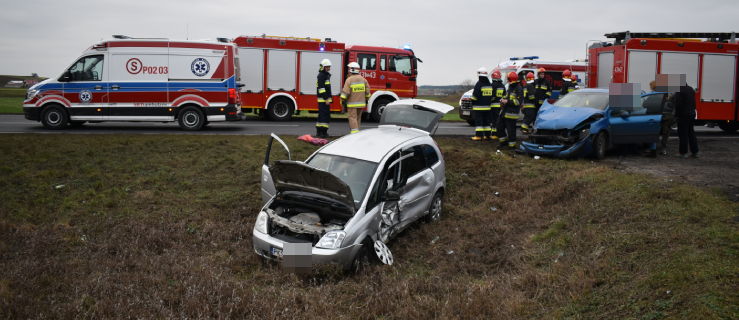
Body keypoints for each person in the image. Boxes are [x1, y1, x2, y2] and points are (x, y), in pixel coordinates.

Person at [340, 62, 371, 134]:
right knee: (357, 119)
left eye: (350, 68)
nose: (349, 70)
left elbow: (345, 92)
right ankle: (357, 132)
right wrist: (366, 100)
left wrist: (342, 100)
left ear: (352, 70)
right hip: (361, 104)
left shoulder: (349, 79)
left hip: (352, 104)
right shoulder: (363, 79)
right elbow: (367, 92)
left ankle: (354, 134)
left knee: (352, 118)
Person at [496, 71, 522, 149]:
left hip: (512, 114)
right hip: (504, 112)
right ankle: (503, 143)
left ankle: (512, 147)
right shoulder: (510, 88)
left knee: (511, 131)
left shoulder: (519, 89)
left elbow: (518, 102)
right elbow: (507, 97)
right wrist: (503, 101)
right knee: (499, 126)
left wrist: (507, 101)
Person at [674, 82, 699, 158]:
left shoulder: (679, 90)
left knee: (683, 134)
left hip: (683, 114)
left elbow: (678, 104)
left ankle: (683, 152)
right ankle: (695, 152)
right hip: (691, 113)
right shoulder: (691, 89)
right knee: (691, 132)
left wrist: (677, 115)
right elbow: (694, 101)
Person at [470, 67, 494, 140]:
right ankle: (488, 135)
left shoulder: (479, 84)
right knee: (487, 122)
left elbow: (475, 95)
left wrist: (472, 101)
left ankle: (479, 136)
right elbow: (492, 96)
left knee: (479, 122)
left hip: (479, 107)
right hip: (488, 107)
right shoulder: (489, 84)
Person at [316, 59, 333, 138]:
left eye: (328, 67)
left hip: (323, 99)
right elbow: (322, 89)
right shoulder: (321, 76)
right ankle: (324, 133)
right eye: (326, 67)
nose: (328, 68)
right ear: (322, 67)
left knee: (321, 115)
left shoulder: (324, 75)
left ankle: (319, 132)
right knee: (325, 116)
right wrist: (326, 99)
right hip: (323, 99)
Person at [489, 70, 506, 139]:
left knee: (494, 120)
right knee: (498, 120)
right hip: (500, 106)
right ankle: (495, 133)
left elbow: (492, 97)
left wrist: (488, 101)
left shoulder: (492, 85)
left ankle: (495, 134)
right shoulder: (502, 85)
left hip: (493, 106)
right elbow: (504, 96)